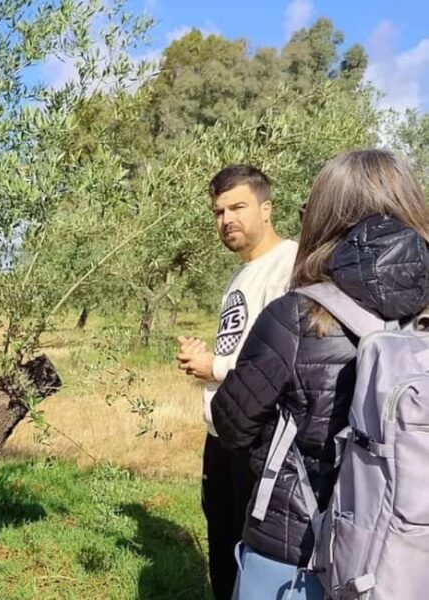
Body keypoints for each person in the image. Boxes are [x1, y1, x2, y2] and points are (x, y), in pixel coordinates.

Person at [211, 149, 429, 599]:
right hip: (405, 553)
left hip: (295, 552)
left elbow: (231, 425)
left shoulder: (295, 316)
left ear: (326, 217)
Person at [176, 165, 298, 600]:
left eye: (238, 207)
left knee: (252, 559)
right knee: (223, 550)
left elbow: (287, 362)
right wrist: (205, 362)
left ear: (267, 209)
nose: (227, 219)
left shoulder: (289, 266)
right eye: (219, 211)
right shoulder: (241, 275)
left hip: (258, 440)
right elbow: (241, 350)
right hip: (222, 436)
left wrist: (216, 368)